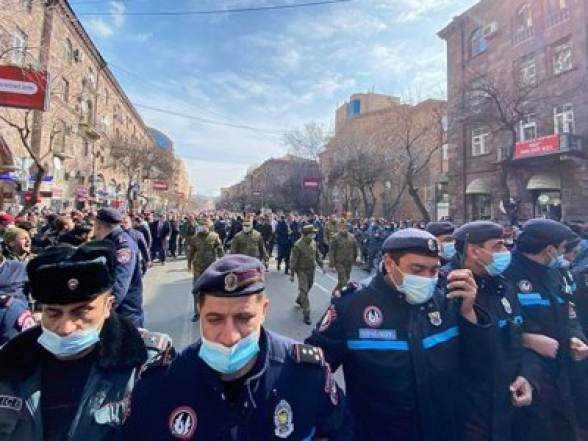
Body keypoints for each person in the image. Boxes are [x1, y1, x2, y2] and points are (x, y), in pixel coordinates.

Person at [121, 255, 351, 440]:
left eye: (243, 318)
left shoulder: (306, 375)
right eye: (215, 319)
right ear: (199, 313)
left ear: (263, 311)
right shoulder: (161, 383)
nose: (229, 336)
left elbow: (341, 431)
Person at [306, 228, 493, 440]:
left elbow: (478, 366)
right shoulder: (352, 306)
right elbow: (312, 372)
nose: (427, 278)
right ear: (388, 263)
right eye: (417, 269)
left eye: (433, 271)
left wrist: (470, 315)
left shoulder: (447, 300)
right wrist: (338, 425)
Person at [0, 241, 173, 440]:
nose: (66, 328)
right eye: (54, 314)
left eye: (81, 312)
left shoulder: (146, 364)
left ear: (108, 306)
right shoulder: (9, 364)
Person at [445, 221, 536, 441]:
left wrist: (527, 375)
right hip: (467, 411)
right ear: (474, 251)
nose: (506, 252)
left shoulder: (503, 286)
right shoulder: (446, 289)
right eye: (498, 247)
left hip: (506, 404)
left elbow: (516, 339)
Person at [504, 219, 588, 441]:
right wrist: (527, 339)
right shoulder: (506, 275)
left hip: (560, 370)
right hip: (525, 373)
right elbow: (501, 323)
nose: (568, 256)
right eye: (563, 250)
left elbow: (569, 313)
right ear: (549, 250)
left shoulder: (555, 273)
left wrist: (574, 337)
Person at [93, 208, 144, 327]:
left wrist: (97, 312)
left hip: (124, 316)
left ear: (99, 226)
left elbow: (118, 287)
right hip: (111, 313)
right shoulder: (107, 242)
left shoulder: (123, 246)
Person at [187, 219, 225, 322]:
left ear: (209, 226)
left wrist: (223, 263)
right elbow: (191, 252)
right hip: (198, 268)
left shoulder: (215, 237)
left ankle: (214, 311)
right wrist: (189, 263)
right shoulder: (195, 238)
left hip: (210, 268)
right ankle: (197, 313)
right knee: (196, 291)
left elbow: (220, 250)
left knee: (212, 290)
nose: (204, 228)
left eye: (206, 226)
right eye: (202, 226)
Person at [290, 225, 326, 325]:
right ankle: (306, 313)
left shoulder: (313, 243)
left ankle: (299, 299)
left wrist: (322, 266)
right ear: (306, 234)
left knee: (309, 286)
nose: (314, 235)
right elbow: (293, 260)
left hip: (311, 269)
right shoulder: (298, 245)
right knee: (304, 290)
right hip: (301, 270)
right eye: (312, 233)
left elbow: (317, 255)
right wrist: (292, 274)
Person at [329, 220, 360, 292]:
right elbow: (332, 251)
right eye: (343, 228)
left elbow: (356, 247)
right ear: (339, 228)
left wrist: (358, 256)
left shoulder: (351, 237)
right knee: (344, 282)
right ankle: (342, 297)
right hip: (339, 262)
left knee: (344, 280)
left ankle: (334, 293)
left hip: (349, 262)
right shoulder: (335, 238)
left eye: (346, 228)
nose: (345, 230)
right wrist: (332, 265)